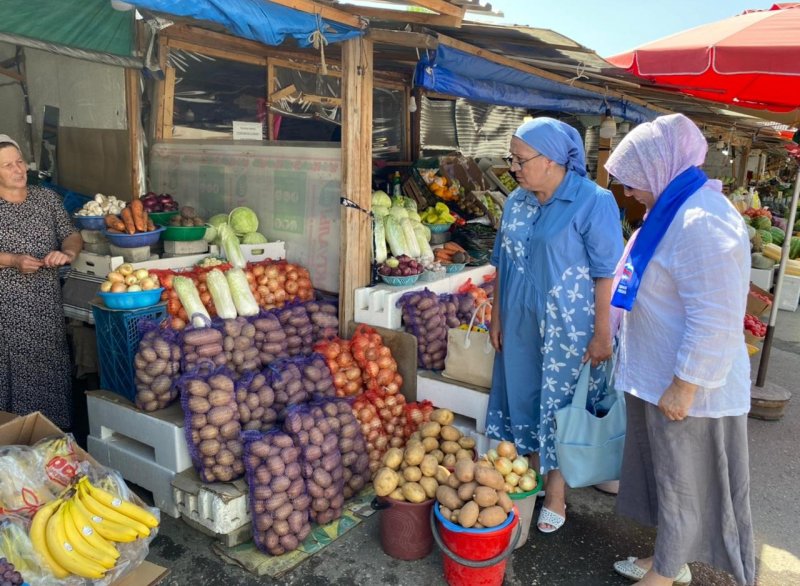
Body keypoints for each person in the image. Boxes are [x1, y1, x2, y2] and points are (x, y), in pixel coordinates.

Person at [605, 114, 755, 586]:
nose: (628, 193)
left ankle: (665, 575)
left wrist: (684, 385)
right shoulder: (674, 210)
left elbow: (716, 315)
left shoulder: (702, 221)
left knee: (682, 486)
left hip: (686, 389)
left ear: (658, 168)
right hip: (658, 378)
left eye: (632, 181)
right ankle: (665, 559)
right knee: (665, 481)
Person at [486, 118, 623, 533]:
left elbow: (606, 273)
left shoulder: (592, 201)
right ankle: (530, 480)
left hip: (569, 326)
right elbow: (503, 263)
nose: (514, 167)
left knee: (560, 408)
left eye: (520, 159)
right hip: (520, 318)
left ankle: (558, 496)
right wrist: (496, 315)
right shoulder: (516, 201)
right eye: (512, 158)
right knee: (524, 396)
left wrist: (602, 334)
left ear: (550, 160)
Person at [0, 135, 82, 429]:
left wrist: (68, 251)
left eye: (19, 161)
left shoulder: (46, 199)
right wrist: (13, 260)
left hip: (46, 307)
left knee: (51, 372)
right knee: (13, 376)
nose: (18, 169)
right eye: (7, 165)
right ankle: (15, 445)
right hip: (7, 312)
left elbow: (70, 233)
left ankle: (54, 440)